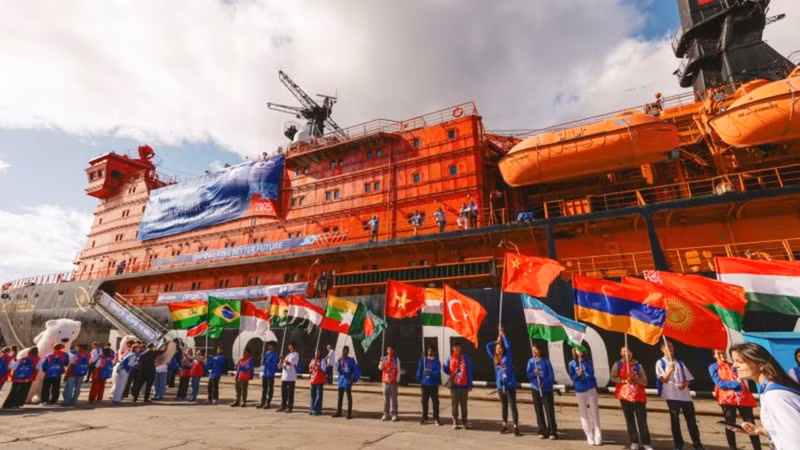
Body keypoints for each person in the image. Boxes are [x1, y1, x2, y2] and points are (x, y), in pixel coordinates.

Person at [729, 343, 800, 450]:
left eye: (740, 361)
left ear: (760, 364)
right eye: (734, 361)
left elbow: (795, 440)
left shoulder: (774, 395)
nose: (734, 366)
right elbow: (785, 429)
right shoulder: (770, 388)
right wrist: (760, 430)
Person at [709, 348, 760, 450]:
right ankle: (732, 448)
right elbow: (720, 384)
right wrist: (736, 383)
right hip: (727, 399)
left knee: (750, 423)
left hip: (742, 397)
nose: (722, 355)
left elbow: (746, 374)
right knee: (730, 424)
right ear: (714, 355)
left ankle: (757, 448)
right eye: (718, 353)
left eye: (723, 352)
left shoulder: (733, 365)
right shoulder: (713, 367)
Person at [657, 341, 704, 450]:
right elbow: (663, 379)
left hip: (685, 396)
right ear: (663, 350)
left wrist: (684, 385)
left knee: (691, 421)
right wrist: (669, 370)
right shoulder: (660, 363)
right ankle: (679, 444)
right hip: (671, 396)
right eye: (668, 350)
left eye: (672, 350)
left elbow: (688, 378)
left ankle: (697, 444)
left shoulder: (680, 363)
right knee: (675, 421)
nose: (670, 352)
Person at [610, 346, 652, 450]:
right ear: (620, 353)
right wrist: (624, 381)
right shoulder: (618, 364)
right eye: (624, 351)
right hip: (625, 397)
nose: (626, 353)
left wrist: (636, 379)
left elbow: (645, 381)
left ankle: (646, 443)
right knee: (630, 420)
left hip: (638, 397)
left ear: (632, 353)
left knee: (642, 420)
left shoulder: (638, 365)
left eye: (628, 351)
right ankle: (634, 442)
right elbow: (613, 377)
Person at [487, 327, 519, 436]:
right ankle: (505, 425)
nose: (499, 349)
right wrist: (495, 341)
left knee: (512, 405)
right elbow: (488, 346)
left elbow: (508, 346)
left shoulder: (507, 356)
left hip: (509, 384)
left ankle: (515, 426)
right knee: (504, 405)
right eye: (497, 348)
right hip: (500, 385)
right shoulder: (494, 358)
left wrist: (503, 335)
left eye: (500, 347)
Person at [569, 347, 602, 446]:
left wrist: (583, 372)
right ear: (574, 351)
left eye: (581, 350)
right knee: (583, 414)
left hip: (591, 389)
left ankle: (598, 435)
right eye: (577, 350)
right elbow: (572, 377)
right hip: (579, 391)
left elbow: (592, 374)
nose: (579, 351)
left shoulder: (588, 362)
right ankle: (589, 435)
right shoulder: (571, 363)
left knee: (595, 413)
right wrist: (578, 375)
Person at [527, 343, 557, 439]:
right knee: (538, 410)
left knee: (549, 410)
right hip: (536, 389)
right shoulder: (531, 362)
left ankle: (552, 431)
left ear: (540, 350)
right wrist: (534, 375)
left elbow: (551, 376)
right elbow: (529, 375)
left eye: (536, 349)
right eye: (533, 349)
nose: (534, 351)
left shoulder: (546, 361)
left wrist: (544, 383)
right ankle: (542, 430)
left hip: (546, 389)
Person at [443, 341, 472, 430]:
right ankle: (455, 421)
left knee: (464, 405)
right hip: (454, 386)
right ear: (453, 348)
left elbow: (469, 371)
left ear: (460, 348)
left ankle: (464, 422)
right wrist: (444, 368)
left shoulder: (465, 358)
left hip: (463, 386)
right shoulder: (450, 358)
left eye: (458, 347)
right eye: (455, 347)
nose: (457, 348)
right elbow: (448, 371)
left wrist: (470, 384)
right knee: (454, 405)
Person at [416, 344, 441, 426]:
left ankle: (436, 418)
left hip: (433, 384)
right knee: (424, 402)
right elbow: (420, 369)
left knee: (435, 402)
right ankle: (424, 417)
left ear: (434, 352)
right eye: (428, 351)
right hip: (424, 384)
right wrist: (418, 377)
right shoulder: (423, 360)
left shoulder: (437, 361)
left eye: (431, 351)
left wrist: (429, 372)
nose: (429, 352)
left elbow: (437, 373)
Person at [333, 345, 359, 419]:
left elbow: (354, 369)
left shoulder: (351, 360)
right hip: (341, 380)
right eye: (344, 350)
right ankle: (339, 412)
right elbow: (336, 369)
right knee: (340, 397)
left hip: (347, 380)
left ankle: (349, 413)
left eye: (347, 350)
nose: (345, 352)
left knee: (348, 397)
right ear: (342, 351)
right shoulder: (340, 360)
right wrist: (338, 362)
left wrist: (352, 377)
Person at [379, 344, 401, 421]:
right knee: (386, 399)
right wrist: (381, 362)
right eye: (388, 349)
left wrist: (397, 380)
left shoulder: (396, 359)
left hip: (393, 382)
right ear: (387, 350)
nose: (389, 350)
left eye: (391, 349)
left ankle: (394, 414)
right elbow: (380, 368)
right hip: (385, 382)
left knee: (394, 399)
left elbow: (398, 370)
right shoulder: (384, 358)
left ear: (393, 350)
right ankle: (386, 414)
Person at [278, 343, 299, 412]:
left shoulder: (295, 354)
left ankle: (290, 407)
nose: (289, 347)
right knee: (284, 392)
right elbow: (283, 365)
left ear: (293, 347)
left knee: (290, 393)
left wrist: (283, 359)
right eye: (289, 345)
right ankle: (283, 406)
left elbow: (289, 363)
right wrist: (281, 362)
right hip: (284, 376)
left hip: (291, 377)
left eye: (290, 345)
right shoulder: (288, 355)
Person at [260, 342, 279, 409]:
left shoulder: (275, 354)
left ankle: (268, 402)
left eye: (270, 345)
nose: (268, 347)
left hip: (270, 374)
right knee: (264, 389)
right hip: (265, 373)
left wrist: (266, 362)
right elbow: (264, 362)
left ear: (273, 346)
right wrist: (262, 360)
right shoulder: (267, 353)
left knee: (269, 389)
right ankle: (262, 402)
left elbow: (273, 365)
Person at [308, 350, 327, 416]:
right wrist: (312, 368)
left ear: (319, 353)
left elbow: (323, 370)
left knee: (319, 396)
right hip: (313, 380)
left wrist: (318, 367)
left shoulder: (322, 361)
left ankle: (316, 410)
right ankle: (311, 408)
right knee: (313, 395)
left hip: (320, 380)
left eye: (318, 352)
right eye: (315, 352)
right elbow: (310, 370)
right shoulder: (312, 360)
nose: (316, 354)